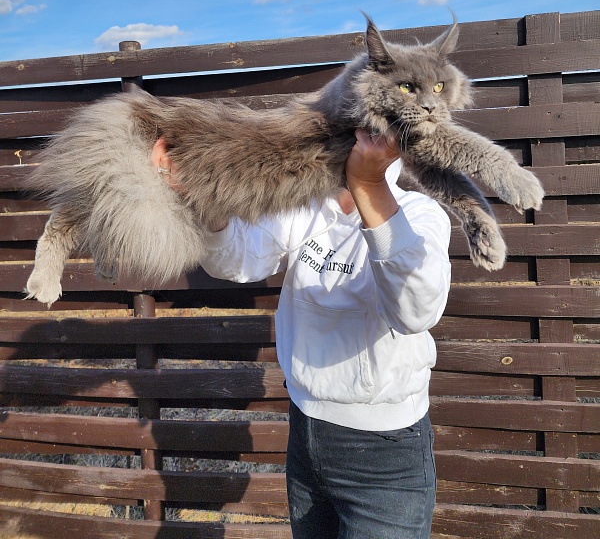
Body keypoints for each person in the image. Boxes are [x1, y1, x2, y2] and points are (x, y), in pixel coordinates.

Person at [152, 128, 451, 539]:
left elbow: (416, 310)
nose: (358, 141)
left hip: (385, 452)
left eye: (371, 134)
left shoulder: (419, 215)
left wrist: (368, 184)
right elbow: (240, 259)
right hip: (307, 432)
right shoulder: (306, 207)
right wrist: (203, 194)